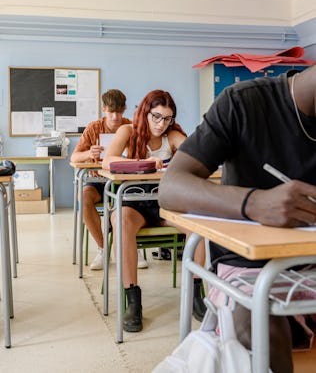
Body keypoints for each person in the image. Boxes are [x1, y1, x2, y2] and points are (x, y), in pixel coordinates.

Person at [158, 65, 316, 373]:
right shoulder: (243, 103)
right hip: (248, 267)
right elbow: (170, 187)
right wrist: (254, 202)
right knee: (256, 325)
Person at [102, 89, 206, 332]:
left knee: (199, 225)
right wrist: (144, 164)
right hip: (134, 202)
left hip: (165, 203)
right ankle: (133, 300)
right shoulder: (127, 131)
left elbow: (196, 154)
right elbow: (108, 160)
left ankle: (196, 294)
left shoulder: (173, 135)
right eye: (157, 117)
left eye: (167, 118)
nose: (161, 124)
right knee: (121, 220)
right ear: (145, 112)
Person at [71, 89, 148, 270]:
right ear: (104, 109)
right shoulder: (94, 128)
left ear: (124, 110)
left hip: (126, 180)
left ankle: (132, 247)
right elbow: (74, 158)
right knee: (83, 198)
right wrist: (89, 153)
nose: (115, 117)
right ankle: (103, 247)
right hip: (98, 180)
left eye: (119, 112)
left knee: (134, 204)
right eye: (111, 112)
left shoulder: (133, 126)